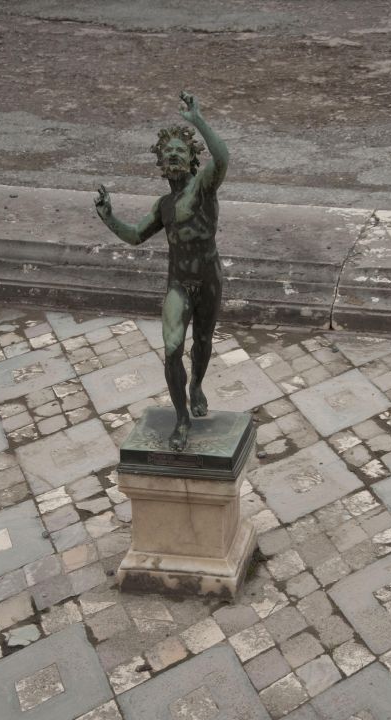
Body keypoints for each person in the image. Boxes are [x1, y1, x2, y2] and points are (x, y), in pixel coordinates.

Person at [95, 91, 229, 451]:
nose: (173, 155)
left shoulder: (203, 188)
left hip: (209, 278)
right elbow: (135, 235)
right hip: (179, 283)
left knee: (203, 342)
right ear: (160, 161)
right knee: (171, 349)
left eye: (180, 151)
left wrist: (198, 120)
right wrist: (109, 217)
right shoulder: (164, 205)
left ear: (191, 159)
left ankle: (196, 384)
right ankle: (181, 418)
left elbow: (223, 157)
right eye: (167, 151)